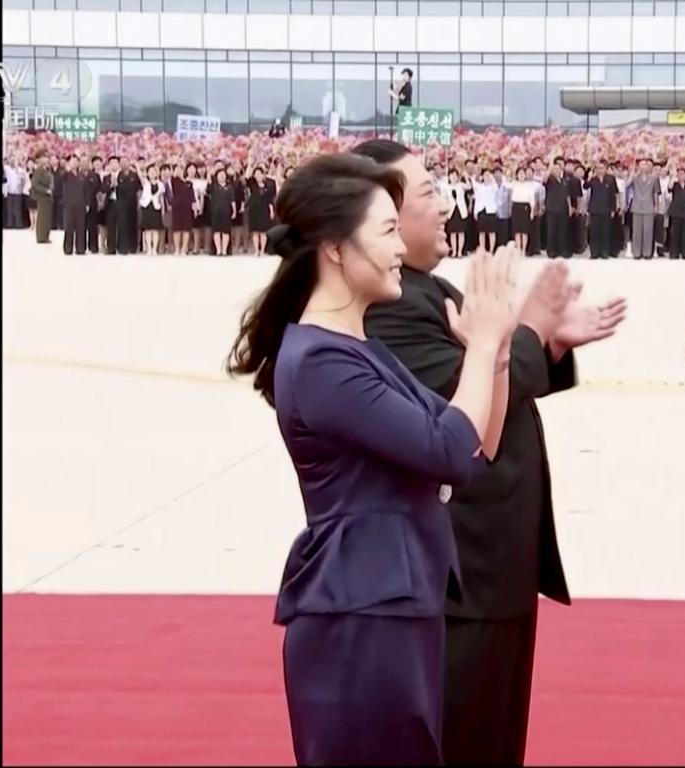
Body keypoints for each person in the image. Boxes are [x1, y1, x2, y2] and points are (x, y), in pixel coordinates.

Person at [228, 154, 516, 764]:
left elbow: (473, 447)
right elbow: (448, 450)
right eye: (386, 231)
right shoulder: (322, 362)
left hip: (392, 605)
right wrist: (483, 345)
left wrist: (492, 356)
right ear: (336, 248)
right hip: (360, 614)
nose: (399, 248)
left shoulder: (358, 348)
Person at [353, 139, 626, 766]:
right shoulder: (390, 309)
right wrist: (527, 330)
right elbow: (464, 400)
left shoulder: (430, 289)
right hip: (461, 577)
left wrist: (543, 342)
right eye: (428, 195)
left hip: (495, 568)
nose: (445, 206)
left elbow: (501, 370)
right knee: (465, 738)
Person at [31, 155, 54, 244]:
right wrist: (45, 190)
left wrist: (51, 189)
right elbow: (35, 185)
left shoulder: (48, 171)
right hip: (42, 197)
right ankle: (40, 237)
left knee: (47, 218)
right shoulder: (38, 172)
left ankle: (46, 236)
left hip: (48, 198)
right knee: (42, 218)